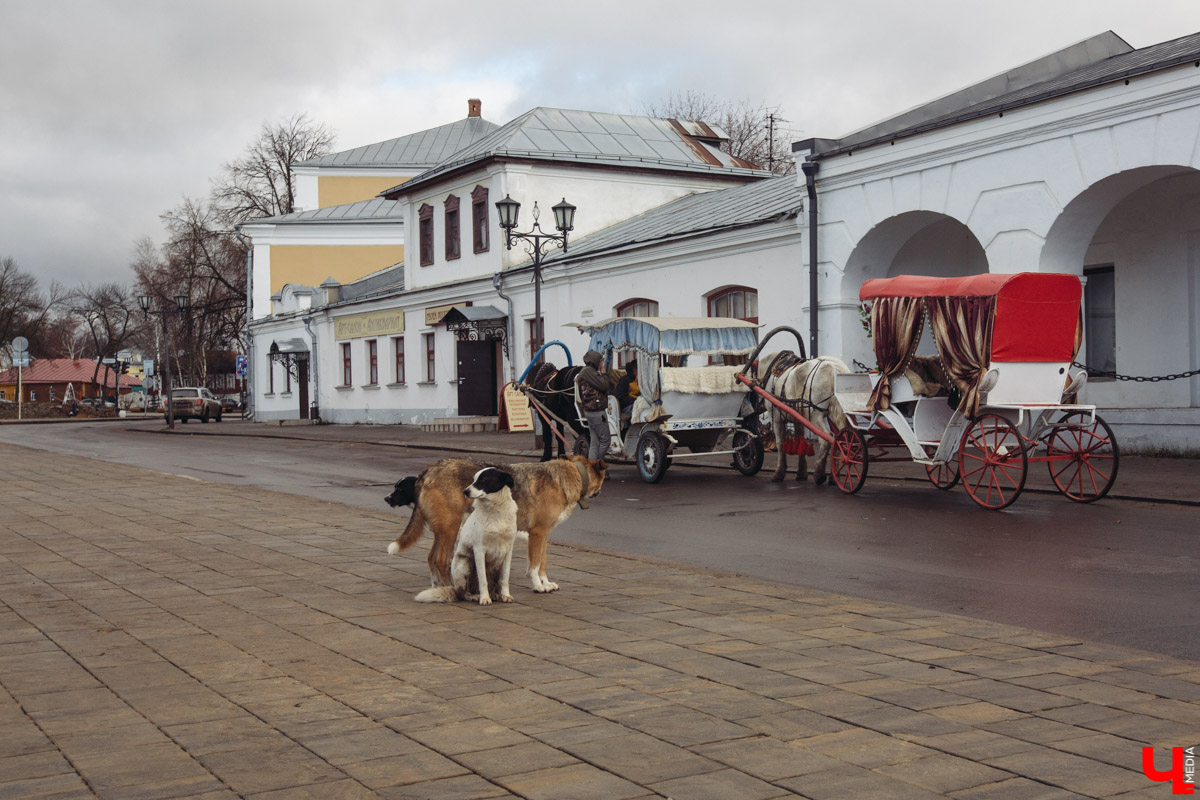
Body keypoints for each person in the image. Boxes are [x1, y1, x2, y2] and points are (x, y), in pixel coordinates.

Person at [577, 350, 612, 461]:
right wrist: (604, 372)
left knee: (594, 442)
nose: (601, 364)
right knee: (606, 440)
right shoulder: (588, 372)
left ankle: (591, 469)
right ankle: (597, 466)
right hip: (597, 412)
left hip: (590, 412)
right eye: (600, 361)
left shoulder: (586, 372)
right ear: (595, 361)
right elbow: (604, 385)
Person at [614, 360, 639, 433]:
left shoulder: (641, 379)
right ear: (633, 369)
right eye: (637, 368)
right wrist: (636, 400)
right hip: (627, 406)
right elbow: (621, 398)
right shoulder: (624, 380)